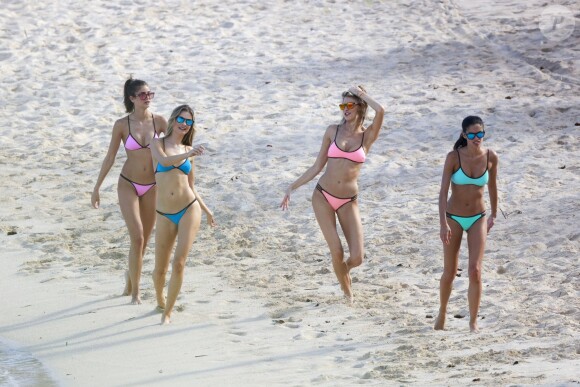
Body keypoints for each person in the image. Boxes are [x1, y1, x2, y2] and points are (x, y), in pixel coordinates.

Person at [280, 86, 385, 303]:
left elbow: (381, 110)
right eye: (342, 105)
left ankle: (342, 272)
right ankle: (348, 294)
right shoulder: (332, 131)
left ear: (360, 107)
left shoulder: (367, 137)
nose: (345, 109)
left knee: (357, 257)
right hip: (323, 196)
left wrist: (363, 94)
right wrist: (292, 186)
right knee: (336, 249)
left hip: (349, 201)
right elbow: (317, 166)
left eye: (350, 104)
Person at [91, 77, 167, 305]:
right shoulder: (122, 125)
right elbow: (110, 157)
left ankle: (129, 277)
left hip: (152, 186)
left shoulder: (160, 122)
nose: (148, 98)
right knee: (138, 237)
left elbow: (177, 144)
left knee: (143, 242)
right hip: (128, 184)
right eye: (143, 95)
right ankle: (136, 293)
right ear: (132, 98)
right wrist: (96, 189)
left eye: (150, 94)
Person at [150, 104, 215, 325]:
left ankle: (167, 313)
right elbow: (165, 161)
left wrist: (207, 210)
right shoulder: (157, 143)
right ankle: (160, 299)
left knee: (179, 262)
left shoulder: (189, 152)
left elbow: (192, 186)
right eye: (182, 119)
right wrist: (189, 152)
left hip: (189, 208)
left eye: (189, 122)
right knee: (159, 270)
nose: (184, 125)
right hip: (164, 213)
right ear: (173, 119)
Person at [435, 116, 499, 333]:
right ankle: (442, 312)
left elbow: (492, 187)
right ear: (464, 135)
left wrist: (494, 214)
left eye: (480, 134)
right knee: (450, 272)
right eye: (471, 134)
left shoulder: (491, 156)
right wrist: (443, 223)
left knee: (475, 270)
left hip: (478, 217)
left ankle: (473, 322)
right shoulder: (453, 157)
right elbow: (443, 192)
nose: (476, 138)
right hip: (453, 217)